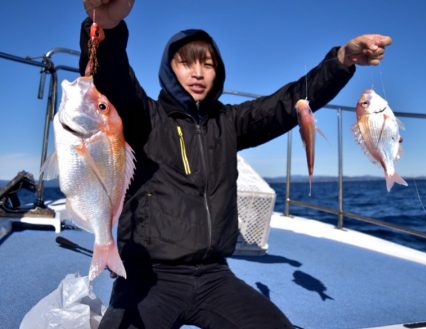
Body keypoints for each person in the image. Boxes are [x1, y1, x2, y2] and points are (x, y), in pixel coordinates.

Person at [81, 1, 392, 328]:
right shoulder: (145, 117)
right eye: (186, 63)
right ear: (168, 69)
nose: (198, 73)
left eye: (208, 64)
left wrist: (341, 60)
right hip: (148, 278)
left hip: (214, 277)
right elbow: (112, 77)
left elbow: (289, 104)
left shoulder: (229, 122)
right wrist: (107, 25)